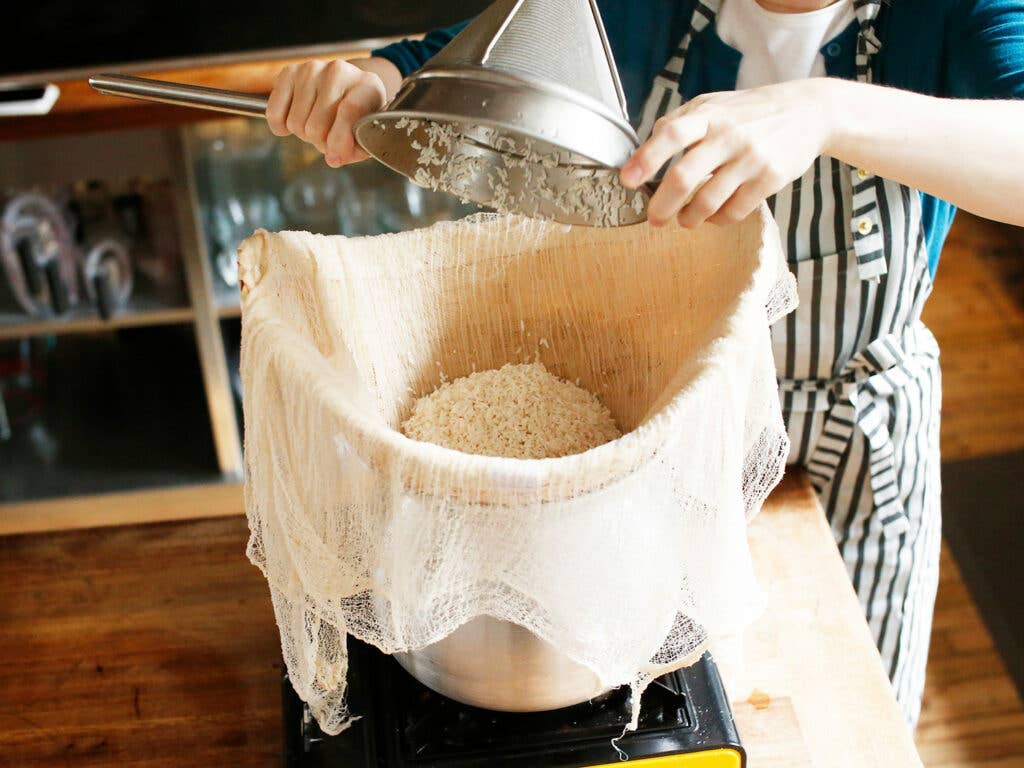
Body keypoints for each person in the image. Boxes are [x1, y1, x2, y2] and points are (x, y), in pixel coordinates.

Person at [265, 0, 1024, 727]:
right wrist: (371, 81)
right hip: (661, 442)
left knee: (844, 719)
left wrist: (827, 111)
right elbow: (463, 69)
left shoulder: (956, 10)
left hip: (853, 454)